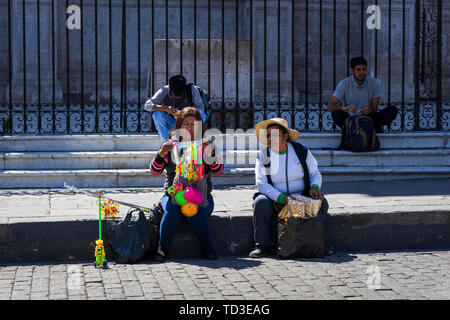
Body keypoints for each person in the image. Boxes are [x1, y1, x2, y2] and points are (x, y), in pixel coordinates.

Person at [249, 118, 331, 258]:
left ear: (285, 136)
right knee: (260, 203)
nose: (270, 139)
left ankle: (320, 244)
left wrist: (314, 187)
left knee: (322, 203)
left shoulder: (300, 151)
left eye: (275, 135)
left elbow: (315, 173)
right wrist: (282, 198)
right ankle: (262, 245)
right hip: (276, 199)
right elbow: (261, 184)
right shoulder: (263, 156)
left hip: (301, 198)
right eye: (268, 135)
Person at [149, 107, 223, 261]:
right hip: (173, 195)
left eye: (193, 124)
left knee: (194, 211)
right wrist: (161, 153)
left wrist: (210, 154)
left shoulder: (206, 146)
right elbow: (154, 170)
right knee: (172, 211)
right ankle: (163, 247)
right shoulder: (171, 145)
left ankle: (206, 247)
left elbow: (218, 170)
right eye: (186, 123)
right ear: (179, 125)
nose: (189, 128)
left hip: (202, 197)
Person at [327, 56, 398, 134]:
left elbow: (374, 108)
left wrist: (369, 110)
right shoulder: (344, 83)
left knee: (393, 110)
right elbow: (330, 106)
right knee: (336, 114)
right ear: (352, 70)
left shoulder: (375, 83)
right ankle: (367, 127)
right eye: (358, 70)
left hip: (368, 117)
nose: (362, 73)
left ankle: (356, 128)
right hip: (350, 117)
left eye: (364, 69)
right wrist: (344, 108)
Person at [145, 75, 206, 142]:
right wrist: (165, 108)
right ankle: (165, 142)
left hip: (187, 123)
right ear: (171, 90)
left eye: (181, 95)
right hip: (171, 122)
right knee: (157, 114)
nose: (178, 98)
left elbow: (201, 108)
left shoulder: (192, 90)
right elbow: (147, 105)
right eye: (175, 95)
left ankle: (196, 140)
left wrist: (187, 112)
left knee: (201, 114)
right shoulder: (164, 90)